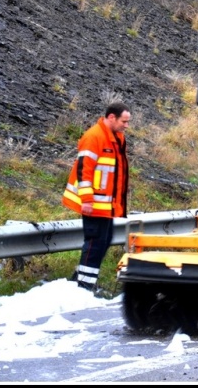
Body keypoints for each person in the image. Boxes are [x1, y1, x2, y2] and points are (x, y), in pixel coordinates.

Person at [62, 102, 131, 293]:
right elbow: (84, 170)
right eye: (124, 121)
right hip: (93, 203)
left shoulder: (116, 137)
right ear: (111, 118)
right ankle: (84, 287)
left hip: (105, 203)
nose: (126, 125)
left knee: (104, 240)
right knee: (95, 242)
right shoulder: (94, 137)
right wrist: (87, 200)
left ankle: (82, 280)